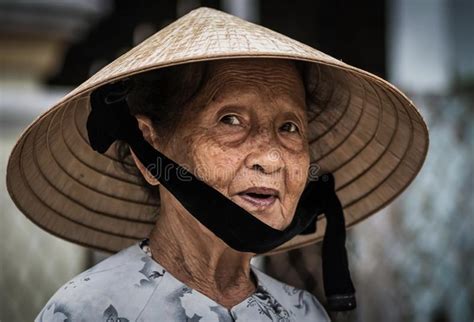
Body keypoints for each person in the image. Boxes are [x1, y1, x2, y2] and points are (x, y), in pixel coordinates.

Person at [5, 6, 429, 322]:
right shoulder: (87, 312)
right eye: (231, 121)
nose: (271, 158)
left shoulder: (303, 313)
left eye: (290, 127)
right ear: (148, 153)